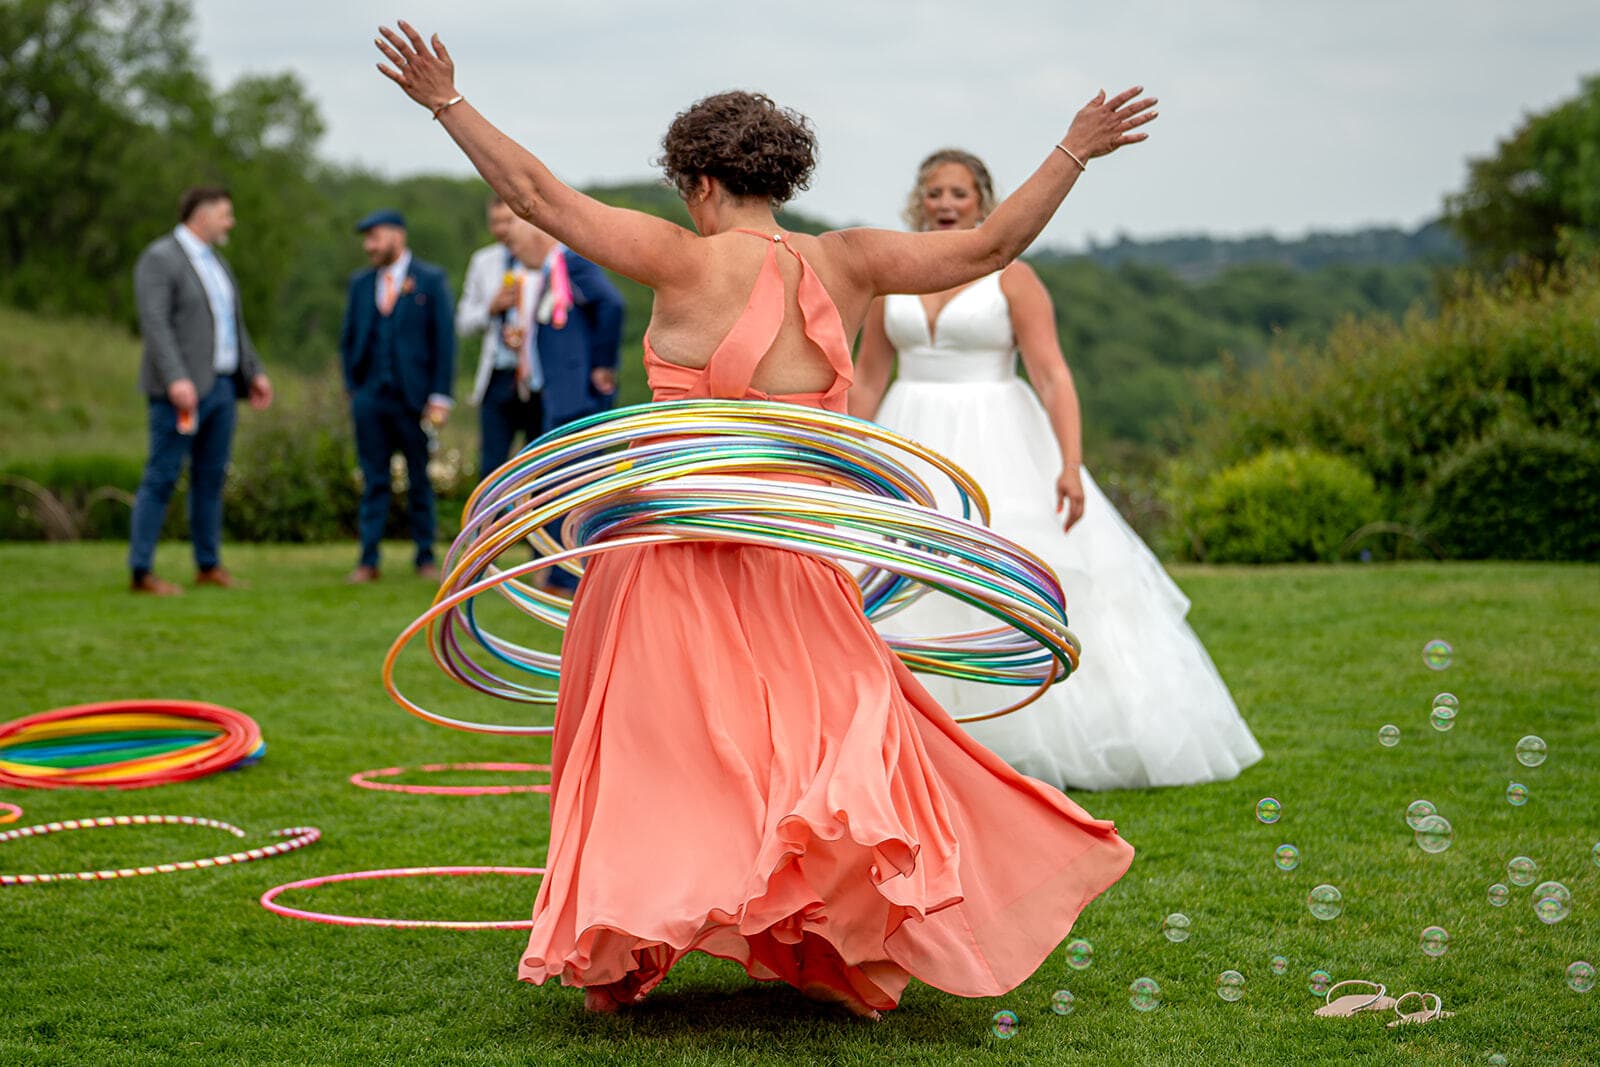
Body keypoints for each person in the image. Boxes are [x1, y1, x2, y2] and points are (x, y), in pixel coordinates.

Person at [375, 20, 1154, 1018]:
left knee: (655, 755)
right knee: (817, 745)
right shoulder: (853, 259)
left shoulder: (677, 256)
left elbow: (536, 196)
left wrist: (446, 102)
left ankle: (628, 943)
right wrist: (1073, 150)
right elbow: (992, 245)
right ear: (778, 176)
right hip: (800, 556)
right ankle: (822, 938)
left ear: (699, 181)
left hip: (671, 554)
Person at [850, 149, 1263, 792]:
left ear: (983, 201)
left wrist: (1070, 463)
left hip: (998, 436)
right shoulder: (893, 279)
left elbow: (1051, 374)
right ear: (918, 201)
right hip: (910, 440)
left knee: (1007, 574)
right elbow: (870, 377)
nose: (945, 204)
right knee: (903, 579)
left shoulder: (1013, 278)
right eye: (934, 192)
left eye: (959, 192)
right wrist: (845, 453)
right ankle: (917, 739)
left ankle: (1021, 736)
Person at [457, 204, 625, 591]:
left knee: (569, 483)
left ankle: (568, 574)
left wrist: (602, 364)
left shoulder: (572, 263)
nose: (515, 252)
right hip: (555, 391)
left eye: (516, 243)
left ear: (536, 236)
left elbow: (611, 304)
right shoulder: (550, 270)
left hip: (575, 395)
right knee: (554, 481)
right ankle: (558, 572)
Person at [129, 186, 274, 595]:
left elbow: (232, 324)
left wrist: (255, 371)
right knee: (162, 476)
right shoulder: (160, 258)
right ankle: (141, 571)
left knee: (211, 479)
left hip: (223, 387)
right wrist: (176, 378)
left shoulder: (217, 263)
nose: (231, 222)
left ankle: (208, 565)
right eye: (225, 214)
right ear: (202, 215)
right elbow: (155, 324)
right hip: (181, 392)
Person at [338, 209, 456, 583]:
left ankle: (425, 557)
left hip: (415, 398)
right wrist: (353, 387)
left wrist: (440, 396)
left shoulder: (430, 280)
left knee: (419, 479)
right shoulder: (360, 283)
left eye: (374, 237)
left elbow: (444, 342)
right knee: (373, 479)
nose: (368, 246)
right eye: (367, 239)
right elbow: (348, 338)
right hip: (370, 397)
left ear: (397, 236)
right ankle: (368, 560)